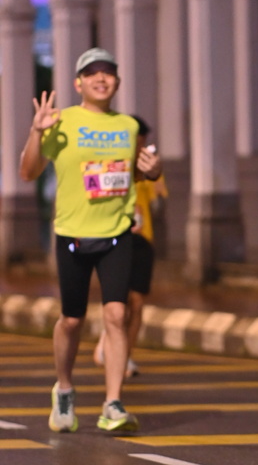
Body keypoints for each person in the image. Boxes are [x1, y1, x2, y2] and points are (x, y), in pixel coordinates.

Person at [19, 47, 162, 434]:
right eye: (92, 73)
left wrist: (152, 170)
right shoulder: (61, 121)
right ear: (78, 83)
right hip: (73, 234)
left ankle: (113, 403)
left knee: (116, 315)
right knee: (72, 319)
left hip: (117, 232)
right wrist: (37, 131)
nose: (101, 78)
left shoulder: (128, 126)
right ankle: (64, 388)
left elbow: (132, 174)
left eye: (108, 72)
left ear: (117, 82)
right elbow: (28, 172)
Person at [94, 115, 168, 377]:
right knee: (119, 302)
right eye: (136, 139)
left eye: (143, 140)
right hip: (115, 237)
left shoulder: (147, 163)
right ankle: (107, 342)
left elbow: (158, 200)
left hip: (142, 239)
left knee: (136, 302)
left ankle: (125, 356)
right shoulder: (111, 164)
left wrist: (155, 173)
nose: (140, 145)